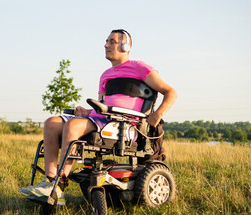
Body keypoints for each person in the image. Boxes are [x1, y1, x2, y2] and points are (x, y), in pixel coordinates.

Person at [19, 29, 177, 205]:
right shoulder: (105, 75)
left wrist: (158, 113)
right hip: (103, 120)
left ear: (125, 46)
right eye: (106, 41)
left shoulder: (140, 68)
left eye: (111, 41)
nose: (106, 45)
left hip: (125, 126)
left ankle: (60, 183)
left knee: (73, 127)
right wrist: (87, 112)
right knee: (52, 123)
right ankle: (49, 181)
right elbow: (102, 105)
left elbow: (170, 92)